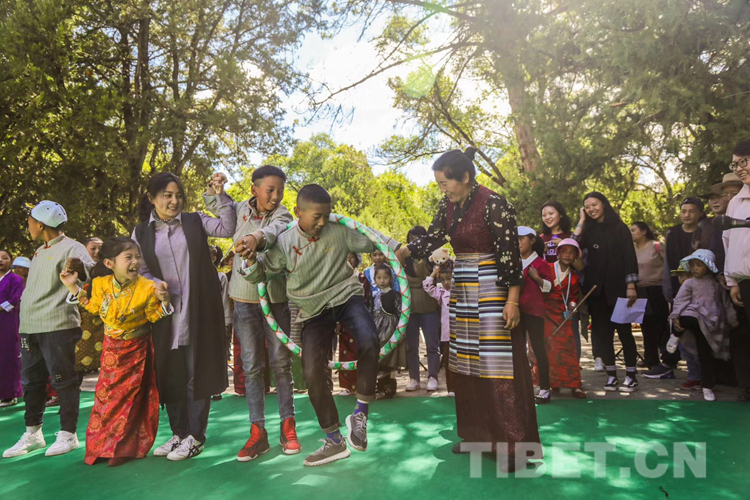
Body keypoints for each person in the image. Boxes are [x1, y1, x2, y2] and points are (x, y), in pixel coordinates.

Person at [397, 147, 540, 473]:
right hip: (462, 288)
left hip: (493, 289)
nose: (442, 189)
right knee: (465, 365)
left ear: (465, 177)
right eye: (439, 184)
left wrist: (512, 301)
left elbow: (510, 257)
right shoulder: (448, 205)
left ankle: (514, 446)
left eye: (445, 183)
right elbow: (432, 238)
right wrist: (402, 250)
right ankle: (478, 437)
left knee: (496, 365)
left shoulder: (494, 203)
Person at [239, 184, 400, 467]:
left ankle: (360, 414)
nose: (323, 222)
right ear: (298, 213)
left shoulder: (339, 229)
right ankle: (334, 440)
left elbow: (374, 240)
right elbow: (260, 275)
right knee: (313, 371)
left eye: (327, 215)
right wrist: (251, 261)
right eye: (317, 217)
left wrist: (396, 247)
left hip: (346, 296)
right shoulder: (285, 242)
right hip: (312, 309)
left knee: (370, 339)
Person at [203, 167, 300, 461]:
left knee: (281, 363)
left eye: (280, 190)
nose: (275, 196)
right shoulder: (239, 209)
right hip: (244, 299)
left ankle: (288, 426)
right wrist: (215, 189)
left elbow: (273, 232)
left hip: (275, 299)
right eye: (270, 190)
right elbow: (218, 209)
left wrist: (255, 238)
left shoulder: (283, 215)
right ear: (254, 189)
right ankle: (257, 432)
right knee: (252, 366)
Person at [133, 173, 230, 461]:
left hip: (199, 309)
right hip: (165, 313)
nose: (174, 201)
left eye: (178, 195)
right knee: (171, 374)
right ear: (152, 198)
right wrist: (154, 284)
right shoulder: (140, 233)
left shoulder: (195, 221)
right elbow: (139, 269)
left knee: (196, 372)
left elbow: (228, 227)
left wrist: (218, 194)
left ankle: (196, 436)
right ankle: (179, 433)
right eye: (167, 195)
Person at [61, 237, 173, 466]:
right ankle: (100, 447)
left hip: (137, 350)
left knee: (130, 399)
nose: (135, 262)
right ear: (110, 263)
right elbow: (93, 307)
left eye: (137, 257)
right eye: (128, 257)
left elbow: (153, 316)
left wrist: (164, 301)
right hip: (111, 350)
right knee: (106, 399)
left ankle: (124, 448)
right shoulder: (101, 284)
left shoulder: (148, 287)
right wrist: (72, 286)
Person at [3, 201, 96, 459]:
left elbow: (92, 272)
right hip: (30, 327)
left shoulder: (72, 247)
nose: (28, 225)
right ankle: (33, 433)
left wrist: (81, 268)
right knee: (31, 382)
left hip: (57, 325)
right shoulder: (38, 251)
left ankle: (68, 434)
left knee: (63, 381)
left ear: (41, 224)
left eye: (30, 221)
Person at [573, 192, 640, 392]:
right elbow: (572, 246)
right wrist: (581, 221)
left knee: (625, 332)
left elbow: (629, 256)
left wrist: (631, 285)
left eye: (594, 204)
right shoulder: (588, 230)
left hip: (619, 289)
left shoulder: (620, 228)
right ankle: (611, 376)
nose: (591, 209)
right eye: (587, 207)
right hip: (596, 291)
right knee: (603, 334)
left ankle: (631, 376)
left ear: (603, 204)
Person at [644, 198, 708, 387]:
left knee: (701, 331)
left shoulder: (705, 231)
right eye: (683, 211)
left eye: (691, 211)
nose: (687, 215)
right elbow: (668, 263)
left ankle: (703, 373)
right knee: (677, 328)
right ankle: (674, 366)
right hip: (678, 289)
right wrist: (669, 288)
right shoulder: (672, 233)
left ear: (700, 213)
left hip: (702, 288)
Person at [668, 250, 736, 402]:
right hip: (692, 317)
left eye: (699, 265)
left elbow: (725, 303)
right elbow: (680, 300)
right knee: (692, 312)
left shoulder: (717, 284)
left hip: (710, 323)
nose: (695, 268)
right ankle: (675, 335)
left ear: (708, 267)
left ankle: (707, 386)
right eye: (692, 265)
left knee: (705, 353)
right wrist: (676, 316)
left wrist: (732, 319)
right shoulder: (689, 283)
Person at [724, 140, 750, 402]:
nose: (739, 168)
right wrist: (732, 281)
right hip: (744, 281)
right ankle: (747, 387)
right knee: (744, 335)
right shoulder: (735, 203)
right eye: (735, 164)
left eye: (744, 161)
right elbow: (728, 243)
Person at [516, 227, 555, 404]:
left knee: (538, 349)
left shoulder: (541, 263)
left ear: (532, 240)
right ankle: (520, 387)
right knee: (517, 350)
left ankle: (545, 388)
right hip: (516, 311)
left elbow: (550, 287)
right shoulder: (513, 262)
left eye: (521, 239)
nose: (517, 243)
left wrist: (536, 277)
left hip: (534, 311)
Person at [543, 239, 586, 399]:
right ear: (558, 254)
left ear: (576, 256)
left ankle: (575, 385)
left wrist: (573, 306)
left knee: (569, 349)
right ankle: (553, 383)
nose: (568, 255)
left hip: (564, 316)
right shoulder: (547, 268)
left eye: (572, 252)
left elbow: (573, 297)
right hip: (547, 314)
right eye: (564, 252)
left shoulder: (574, 276)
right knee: (550, 349)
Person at [402, 226, 441, 392]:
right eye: (412, 238)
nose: (415, 242)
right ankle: (414, 378)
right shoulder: (403, 258)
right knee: (411, 346)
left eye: (418, 238)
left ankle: (433, 377)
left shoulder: (433, 258)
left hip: (429, 307)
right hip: (409, 308)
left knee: (432, 345)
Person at [631, 222, 670, 370]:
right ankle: (650, 359)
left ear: (644, 231)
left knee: (660, 324)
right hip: (640, 290)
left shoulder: (657, 246)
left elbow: (669, 265)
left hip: (657, 290)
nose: (631, 233)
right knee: (646, 326)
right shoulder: (632, 249)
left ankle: (667, 357)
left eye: (633, 230)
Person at [336, 253, 371, 396]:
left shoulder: (362, 278)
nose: (348, 260)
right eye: (346, 257)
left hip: (360, 318)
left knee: (360, 351)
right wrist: (337, 321)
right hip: (343, 320)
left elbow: (367, 299)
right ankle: (347, 386)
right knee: (345, 352)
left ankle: (360, 385)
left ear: (357, 259)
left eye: (351, 257)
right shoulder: (337, 278)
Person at [370, 263, 405, 395]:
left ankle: (389, 387)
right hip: (375, 327)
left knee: (388, 355)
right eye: (379, 278)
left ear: (390, 278)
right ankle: (378, 386)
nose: (382, 281)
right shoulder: (373, 295)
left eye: (385, 277)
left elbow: (400, 312)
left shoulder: (395, 295)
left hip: (389, 327)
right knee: (376, 354)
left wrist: (401, 331)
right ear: (375, 279)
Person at [75, 236, 106, 375]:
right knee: (79, 356)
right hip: (82, 317)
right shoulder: (76, 268)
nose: (97, 251)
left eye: (100, 248)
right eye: (93, 248)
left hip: (104, 317)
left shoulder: (110, 268)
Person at [422, 261, 454, 396]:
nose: (446, 282)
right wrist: (434, 273)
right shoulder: (441, 293)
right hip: (447, 334)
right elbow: (427, 286)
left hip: (463, 333)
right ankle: (452, 388)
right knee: (449, 362)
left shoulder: (461, 290)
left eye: (449, 279)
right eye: (443, 280)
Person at [0, 249, 24, 408]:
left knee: (7, 357)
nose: (0, 260)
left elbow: (14, 300)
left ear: (11, 261)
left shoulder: (16, 279)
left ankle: (10, 394)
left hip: (7, 322)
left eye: (4, 257)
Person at [209, 245, 233, 401]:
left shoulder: (220, 277)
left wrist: (226, 322)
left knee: (218, 354)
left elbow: (225, 301)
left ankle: (216, 388)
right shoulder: (192, 276)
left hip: (217, 321)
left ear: (214, 258)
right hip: (199, 323)